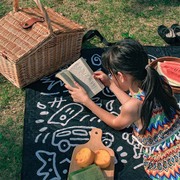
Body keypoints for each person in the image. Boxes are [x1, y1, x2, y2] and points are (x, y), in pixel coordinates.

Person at [65, 38, 180, 180]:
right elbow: (137, 104)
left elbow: (117, 123)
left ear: (121, 76)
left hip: (164, 151)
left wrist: (86, 101)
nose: (111, 77)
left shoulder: (132, 106)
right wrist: (111, 85)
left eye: (112, 74)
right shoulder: (159, 80)